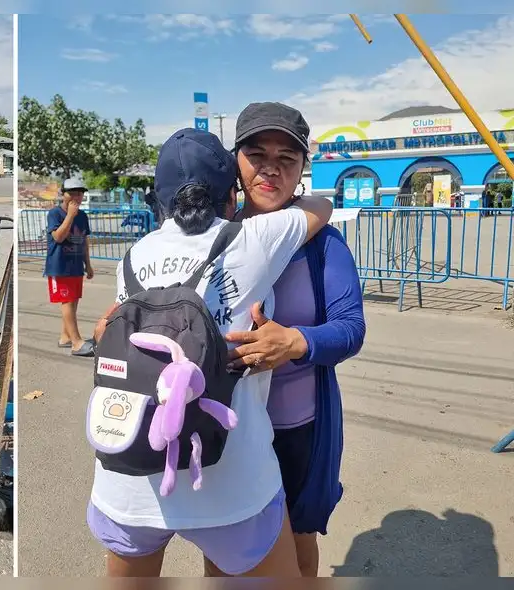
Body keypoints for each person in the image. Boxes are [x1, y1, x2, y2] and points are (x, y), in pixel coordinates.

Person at [87, 128, 333, 578]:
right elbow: (322, 206)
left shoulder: (132, 258)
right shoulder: (254, 240)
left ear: (159, 197)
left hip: (130, 475)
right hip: (231, 482)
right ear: (230, 193)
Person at [223, 102, 366, 577]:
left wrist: (297, 342)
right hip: (227, 427)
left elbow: (351, 328)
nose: (271, 168)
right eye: (257, 153)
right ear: (235, 161)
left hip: (296, 428)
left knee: (298, 541)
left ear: (303, 167)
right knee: (230, 548)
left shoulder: (323, 244)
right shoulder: (211, 236)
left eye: (287, 157)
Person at [45, 178, 94, 357]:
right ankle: (76, 342)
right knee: (66, 301)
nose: (76, 197)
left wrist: (88, 265)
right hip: (59, 265)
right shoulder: (55, 214)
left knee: (73, 302)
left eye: (80, 193)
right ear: (63, 194)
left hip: (76, 265)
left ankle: (65, 336)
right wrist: (70, 215)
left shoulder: (83, 216)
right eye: (72, 193)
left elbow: (85, 241)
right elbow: (58, 237)